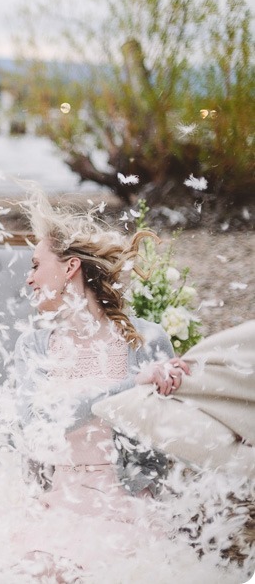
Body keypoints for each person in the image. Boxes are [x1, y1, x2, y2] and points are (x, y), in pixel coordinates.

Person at [11, 192, 191, 575]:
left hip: (125, 505)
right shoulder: (33, 347)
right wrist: (130, 386)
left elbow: (169, 442)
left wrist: (171, 389)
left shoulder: (145, 339)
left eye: (36, 265)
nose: (28, 278)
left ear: (70, 267)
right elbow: (37, 426)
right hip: (59, 502)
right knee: (32, 573)